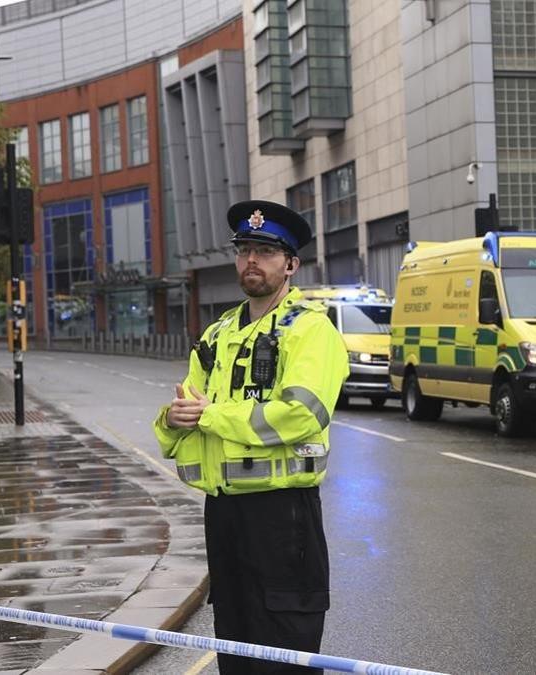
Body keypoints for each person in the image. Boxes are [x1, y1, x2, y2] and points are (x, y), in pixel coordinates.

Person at [153, 200, 349, 673]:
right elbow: (187, 406)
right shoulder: (219, 333)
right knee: (236, 652)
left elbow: (302, 414)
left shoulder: (311, 330)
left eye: (265, 251)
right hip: (224, 514)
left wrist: (211, 416)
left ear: (291, 265)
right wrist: (171, 421)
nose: (251, 261)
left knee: (284, 653)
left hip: (282, 517)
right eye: (244, 250)